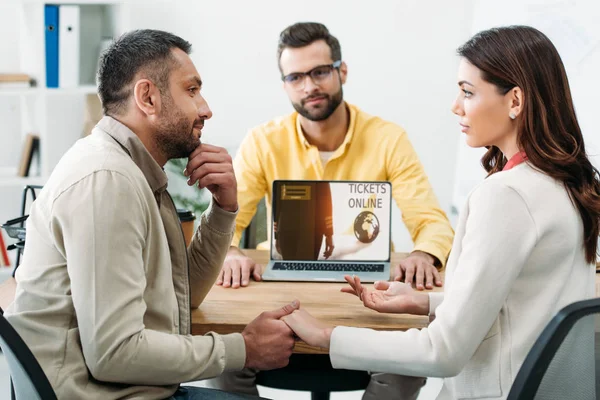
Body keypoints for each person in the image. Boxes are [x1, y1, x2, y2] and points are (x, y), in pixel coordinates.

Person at [281, 25, 600, 400]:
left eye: (467, 92)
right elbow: (522, 301)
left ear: (515, 101)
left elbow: (442, 351)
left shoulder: (506, 196)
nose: (455, 106)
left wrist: (326, 336)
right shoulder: (565, 180)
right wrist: (425, 301)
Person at [4, 29, 300, 400]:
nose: (206, 108)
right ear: (147, 97)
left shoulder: (133, 172)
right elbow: (115, 353)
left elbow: (182, 296)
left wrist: (223, 209)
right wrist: (242, 348)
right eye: (191, 90)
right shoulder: (107, 181)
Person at [207, 22, 454, 400]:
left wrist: (424, 252)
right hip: (283, 301)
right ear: (285, 84)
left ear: (342, 70)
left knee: (406, 365)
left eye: (320, 72)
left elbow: (431, 221)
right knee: (224, 361)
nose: (309, 86)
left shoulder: (388, 138)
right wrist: (231, 251)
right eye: (295, 77)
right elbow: (226, 220)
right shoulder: (262, 141)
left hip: (365, 304)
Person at [273, 181, 334, 260]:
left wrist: (277, 234)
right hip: (312, 226)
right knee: (307, 269)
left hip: (286, 224)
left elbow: (276, 198)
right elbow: (324, 197)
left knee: (290, 269)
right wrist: (329, 233)